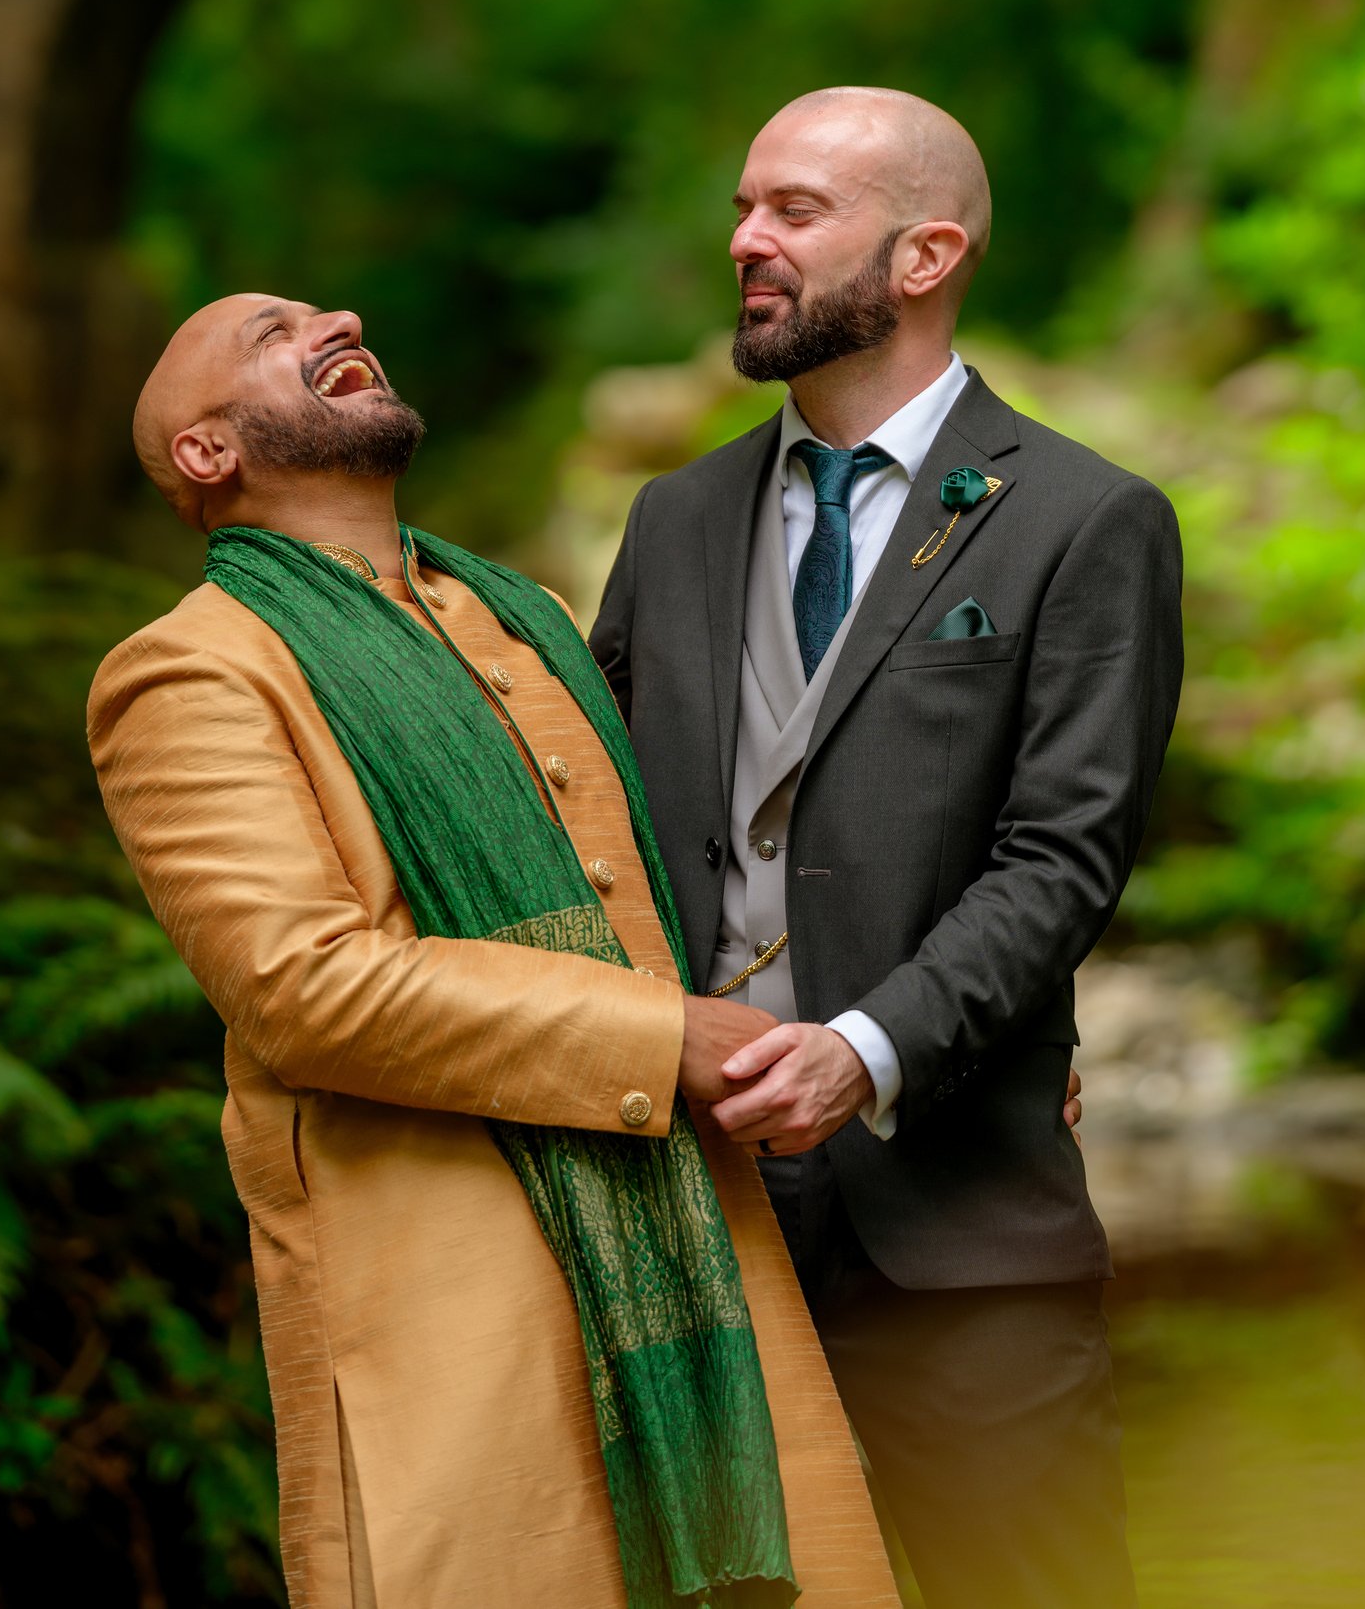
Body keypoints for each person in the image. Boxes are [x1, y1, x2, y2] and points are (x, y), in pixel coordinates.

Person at [87, 291, 898, 1609]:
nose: (337, 315)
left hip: (694, 1237)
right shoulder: (189, 672)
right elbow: (304, 991)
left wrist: (918, 1036)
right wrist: (663, 1038)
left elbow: (701, 886)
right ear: (205, 451)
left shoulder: (519, 618)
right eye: (272, 332)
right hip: (446, 1284)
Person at [590, 89, 1184, 1609]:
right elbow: (592, 825)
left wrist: (869, 1049)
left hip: (963, 1233)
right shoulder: (672, 520)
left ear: (926, 255)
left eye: (795, 210)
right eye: (743, 207)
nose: (747, 240)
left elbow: (1064, 857)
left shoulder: (1085, 518)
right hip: (692, 1227)